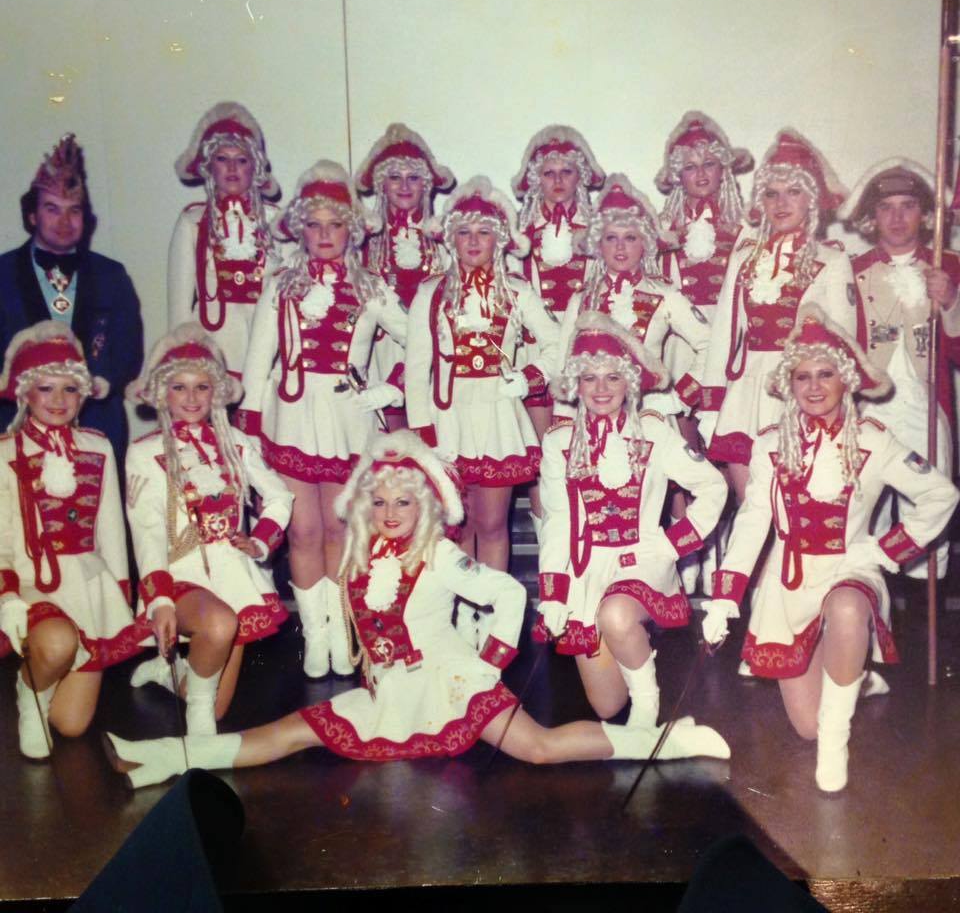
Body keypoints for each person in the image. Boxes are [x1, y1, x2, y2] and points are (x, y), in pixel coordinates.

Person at [103, 430, 730, 789]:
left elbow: (510, 593)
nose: (391, 513)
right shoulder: (362, 553)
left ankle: (670, 742)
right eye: (380, 503)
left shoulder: (438, 553)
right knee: (289, 733)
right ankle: (162, 758)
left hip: (450, 681)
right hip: (392, 689)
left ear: (424, 506)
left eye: (403, 503)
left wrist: (488, 664)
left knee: (538, 748)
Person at [701, 305, 959, 792]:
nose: (814, 387)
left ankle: (835, 743)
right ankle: (857, 679)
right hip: (788, 584)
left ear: (846, 380)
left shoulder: (874, 441)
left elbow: (940, 494)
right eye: (802, 376)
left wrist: (884, 551)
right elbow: (753, 522)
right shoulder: (769, 445)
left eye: (826, 374)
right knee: (806, 726)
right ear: (789, 384)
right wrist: (724, 597)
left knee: (845, 609)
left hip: (850, 568)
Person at [242, 160, 407, 678]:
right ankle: (315, 636)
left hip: (347, 420)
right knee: (303, 530)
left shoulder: (372, 287)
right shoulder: (279, 284)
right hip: (291, 418)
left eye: (335, 224)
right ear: (300, 230)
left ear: (352, 230)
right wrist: (249, 431)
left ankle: (341, 630)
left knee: (339, 527)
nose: (325, 235)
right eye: (314, 225)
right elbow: (257, 360)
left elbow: (421, 340)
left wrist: (390, 386)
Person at [536, 312, 728, 744]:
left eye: (612, 378)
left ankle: (647, 712)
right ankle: (637, 656)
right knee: (606, 705)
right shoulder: (558, 442)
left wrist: (673, 544)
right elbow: (558, 522)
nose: (601, 389)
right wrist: (553, 593)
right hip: (588, 571)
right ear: (576, 384)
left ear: (630, 383)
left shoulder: (656, 433)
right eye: (589, 378)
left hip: (643, 559)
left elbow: (714, 486)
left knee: (617, 614)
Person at [124, 325, 294, 734]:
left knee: (218, 706)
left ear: (216, 391)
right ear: (162, 393)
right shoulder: (144, 452)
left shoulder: (236, 442)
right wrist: (160, 599)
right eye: (179, 387)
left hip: (232, 574)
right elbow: (148, 532)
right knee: (218, 626)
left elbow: (279, 495)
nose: (191, 398)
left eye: (202, 387)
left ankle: (168, 674)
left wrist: (259, 541)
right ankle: (199, 731)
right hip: (179, 573)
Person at [0, 323, 146, 759]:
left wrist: (120, 592)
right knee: (59, 643)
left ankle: (40, 678)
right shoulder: (5, 452)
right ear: (25, 393)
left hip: (87, 586)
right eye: (46, 388)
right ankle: (31, 694)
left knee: (72, 724)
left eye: (70, 389)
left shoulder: (98, 446)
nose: (59, 400)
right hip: (30, 585)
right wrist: (7, 595)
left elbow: (111, 530)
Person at [405, 176, 559, 570]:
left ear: (499, 240)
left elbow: (559, 345)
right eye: (464, 233)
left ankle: (493, 606)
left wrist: (528, 377)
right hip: (448, 416)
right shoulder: (430, 292)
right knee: (457, 524)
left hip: (497, 414)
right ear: (450, 239)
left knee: (492, 524)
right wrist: (424, 430)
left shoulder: (517, 291)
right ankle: (462, 605)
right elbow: (417, 368)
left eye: (484, 233)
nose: (473, 241)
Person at [698, 129, 858, 503]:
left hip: (802, 394)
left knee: (795, 509)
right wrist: (711, 406)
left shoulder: (832, 261)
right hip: (745, 394)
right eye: (772, 193)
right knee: (750, 509)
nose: (781, 203)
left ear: (811, 200)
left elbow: (844, 348)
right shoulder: (744, 257)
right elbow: (723, 335)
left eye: (793, 192)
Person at [839, 158, 960, 578]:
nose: (896, 218)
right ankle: (864, 594)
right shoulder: (850, 270)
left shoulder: (950, 266)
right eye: (886, 208)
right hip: (866, 407)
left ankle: (921, 602)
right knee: (858, 508)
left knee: (926, 506)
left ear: (925, 215)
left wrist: (951, 302)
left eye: (907, 206)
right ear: (872, 217)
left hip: (926, 407)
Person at [0, 135, 143, 467]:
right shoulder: (2, 274)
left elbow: (127, 349)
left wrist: (97, 384)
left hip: (96, 422)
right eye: (52, 209)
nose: (64, 222)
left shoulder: (111, 275)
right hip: (14, 424)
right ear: (32, 215)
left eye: (73, 211)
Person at [556, 174, 711, 424]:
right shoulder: (582, 299)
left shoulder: (664, 294)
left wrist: (678, 398)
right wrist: (563, 422)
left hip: (648, 416)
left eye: (630, 237)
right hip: (592, 418)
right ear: (598, 244)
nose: (620, 247)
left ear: (645, 244)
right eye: (611, 238)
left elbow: (711, 346)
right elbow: (564, 367)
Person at [512, 125, 605, 530]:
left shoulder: (598, 231)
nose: (558, 182)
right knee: (540, 453)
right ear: (536, 179)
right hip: (536, 351)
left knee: (582, 445)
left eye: (567, 172)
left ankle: (584, 536)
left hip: (584, 351)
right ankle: (547, 539)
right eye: (549, 174)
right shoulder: (519, 234)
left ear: (579, 176)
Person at [654, 111, 753, 441]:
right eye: (690, 167)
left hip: (731, 335)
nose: (700, 174)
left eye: (709, 164)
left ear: (723, 170)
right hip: (681, 338)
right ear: (677, 176)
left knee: (726, 428)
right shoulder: (661, 229)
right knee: (680, 432)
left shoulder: (745, 226)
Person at [168, 102, 281, 386]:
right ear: (209, 167)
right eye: (222, 159)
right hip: (212, 349)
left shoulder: (277, 221)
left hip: (264, 346)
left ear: (255, 167)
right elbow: (179, 307)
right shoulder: (192, 222)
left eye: (241, 160)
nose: (232, 168)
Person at [355, 123, 455, 430]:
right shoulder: (363, 238)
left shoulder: (445, 237)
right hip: (382, 351)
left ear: (426, 184)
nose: (404, 186)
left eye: (413, 177)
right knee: (390, 441)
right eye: (394, 177)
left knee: (430, 434)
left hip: (433, 351)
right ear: (381, 184)